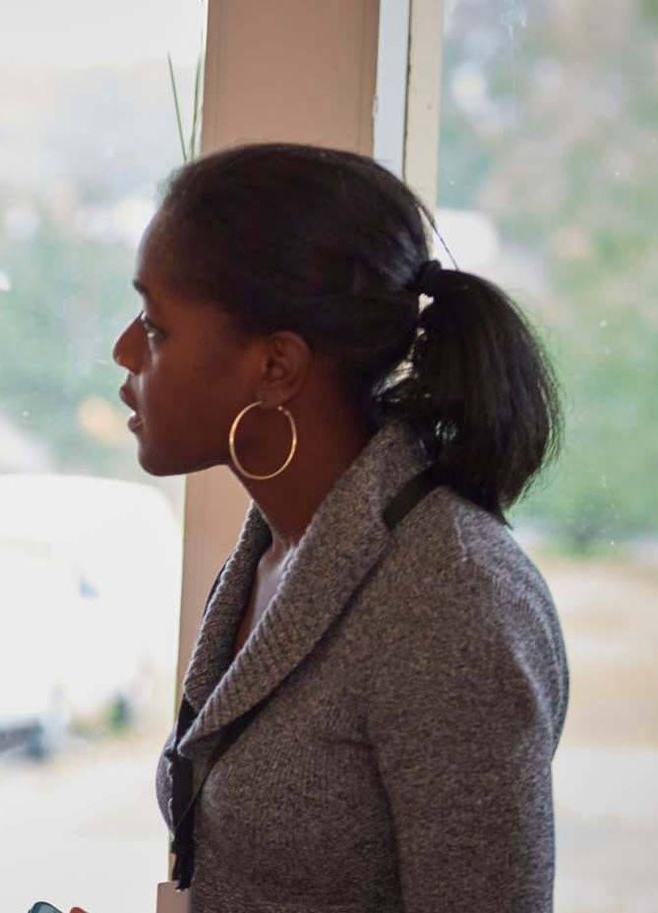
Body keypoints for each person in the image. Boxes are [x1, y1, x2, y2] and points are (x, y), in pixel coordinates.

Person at [106, 143, 569, 912]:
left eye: (156, 328)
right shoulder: (275, 548)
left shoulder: (453, 603)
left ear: (277, 366)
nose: (123, 350)